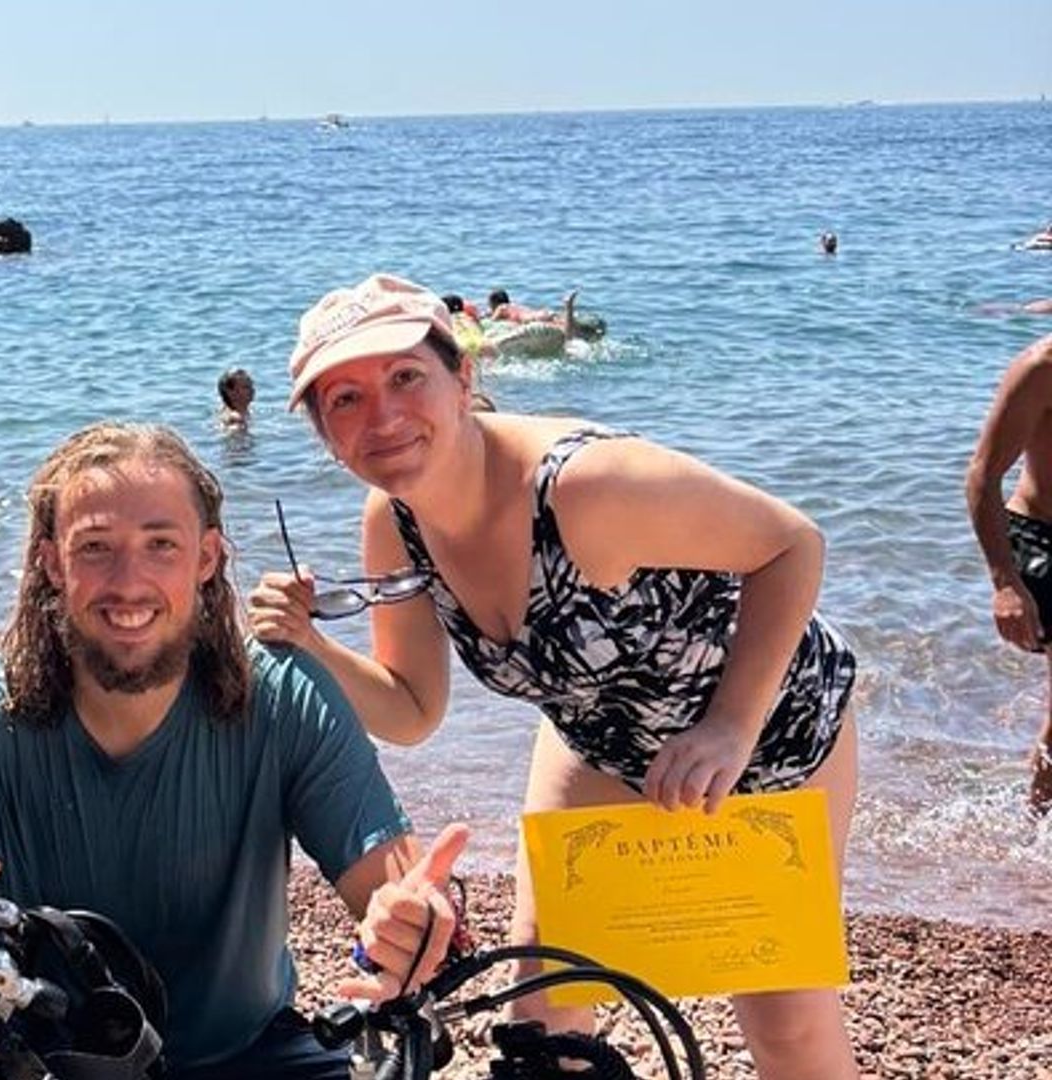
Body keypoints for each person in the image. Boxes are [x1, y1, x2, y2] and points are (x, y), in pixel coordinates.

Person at [249, 274, 861, 1080]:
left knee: (788, 1030)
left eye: (406, 378)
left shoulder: (585, 486)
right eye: (346, 399)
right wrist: (312, 646)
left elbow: (792, 545)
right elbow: (411, 710)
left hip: (771, 734)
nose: (384, 417)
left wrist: (730, 726)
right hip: (597, 741)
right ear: (326, 432)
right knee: (543, 1016)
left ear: (463, 379)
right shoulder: (393, 521)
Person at [0, 421, 469, 1079]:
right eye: (95, 547)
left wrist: (410, 924)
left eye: (161, 545)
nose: (130, 582)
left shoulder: (286, 697)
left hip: (249, 1052)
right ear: (50, 562)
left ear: (207, 558)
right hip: (43, 1061)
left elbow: (389, 886)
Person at [964, 332, 1052, 816]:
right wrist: (1006, 583)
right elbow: (982, 475)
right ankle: (1037, 831)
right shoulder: (1041, 366)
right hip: (1040, 540)